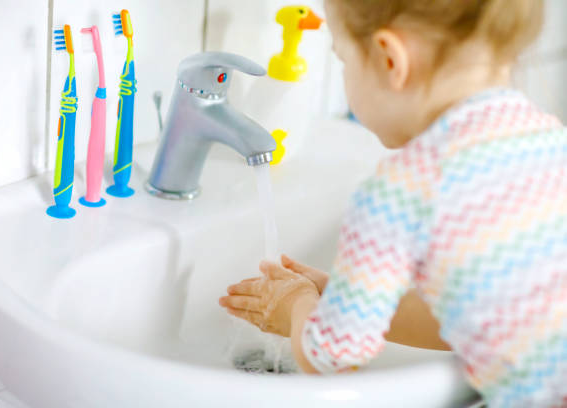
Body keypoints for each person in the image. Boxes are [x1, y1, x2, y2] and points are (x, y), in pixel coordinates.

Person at [220, 0, 567, 406]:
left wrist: (297, 306)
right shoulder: (551, 142)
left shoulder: (403, 189)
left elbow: (333, 356)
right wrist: (338, 297)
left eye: (343, 59)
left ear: (389, 59)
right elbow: (487, 317)